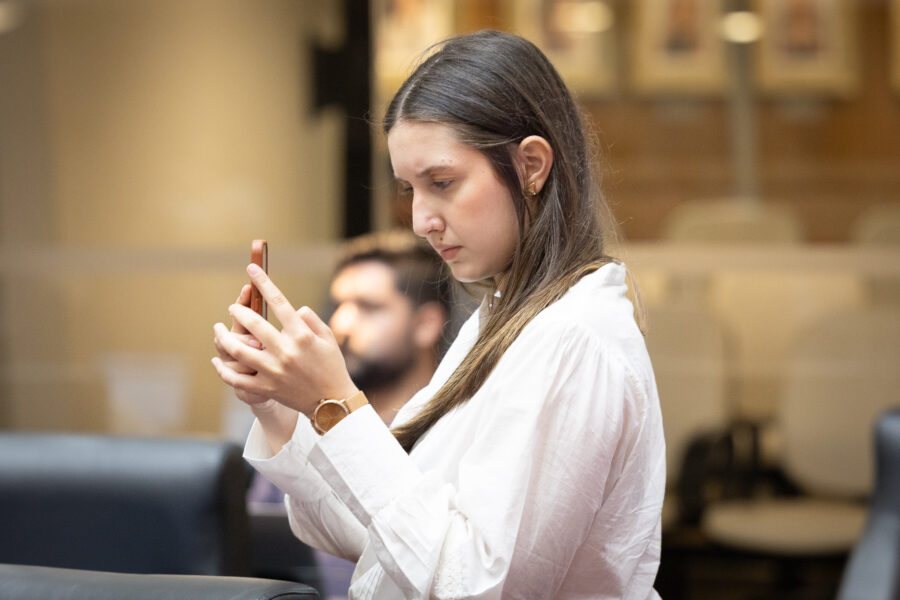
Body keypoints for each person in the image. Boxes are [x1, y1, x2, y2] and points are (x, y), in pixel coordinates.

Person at [213, 30, 665, 599]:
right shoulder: (502, 320)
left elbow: (479, 586)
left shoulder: (572, 337)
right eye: (410, 189)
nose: (420, 219)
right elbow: (383, 536)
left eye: (443, 183)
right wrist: (280, 405)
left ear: (531, 165)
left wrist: (336, 403)